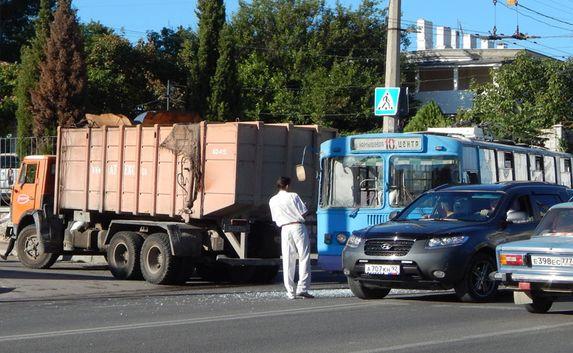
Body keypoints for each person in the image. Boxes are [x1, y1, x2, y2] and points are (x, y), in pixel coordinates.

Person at [269, 177, 314, 299]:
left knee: (288, 258)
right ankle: (302, 288)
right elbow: (304, 213)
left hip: (284, 228)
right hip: (297, 226)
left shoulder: (272, 200)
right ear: (287, 186)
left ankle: (290, 292)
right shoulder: (293, 196)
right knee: (304, 257)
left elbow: (275, 218)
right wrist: (307, 208)